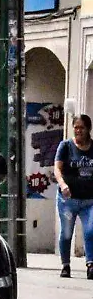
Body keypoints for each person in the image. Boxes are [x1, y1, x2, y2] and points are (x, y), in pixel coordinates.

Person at [54, 114, 93, 279]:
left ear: (88, 129)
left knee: (91, 231)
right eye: (76, 127)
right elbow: (57, 169)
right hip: (68, 200)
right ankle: (65, 265)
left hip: (90, 200)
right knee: (66, 234)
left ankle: (90, 264)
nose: (78, 131)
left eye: (81, 127)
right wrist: (63, 184)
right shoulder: (65, 146)